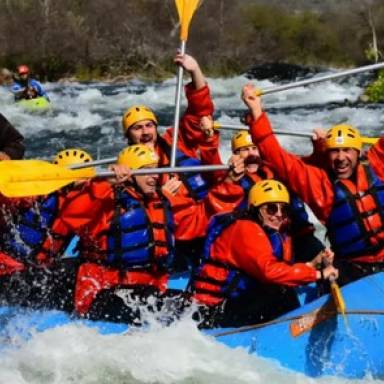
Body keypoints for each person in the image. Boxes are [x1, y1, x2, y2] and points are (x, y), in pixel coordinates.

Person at [31, 144, 243, 323]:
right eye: (147, 170)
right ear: (130, 175)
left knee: (190, 306)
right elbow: (71, 214)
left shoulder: (161, 202)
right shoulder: (106, 205)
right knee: (169, 310)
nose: (154, 176)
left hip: (148, 288)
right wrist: (104, 184)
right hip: (103, 293)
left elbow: (201, 218)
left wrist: (230, 183)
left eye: (155, 170)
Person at [242, 82, 384, 286]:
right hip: (353, 268)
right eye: (334, 151)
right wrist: (256, 111)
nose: (341, 158)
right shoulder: (320, 185)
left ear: (358, 152)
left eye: (347, 151)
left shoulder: (378, 165)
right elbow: (278, 158)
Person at [189, 179, 337, 328]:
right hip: (211, 313)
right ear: (256, 209)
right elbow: (269, 271)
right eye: (271, 209)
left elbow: (277, 269)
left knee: (280, 288)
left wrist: (311, 265)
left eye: (284, 209)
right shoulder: (245, 229)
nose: (279, 215)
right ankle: (292, 332)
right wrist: (318, 274)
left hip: (229, 304)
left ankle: (289, 329)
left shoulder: (270, 232)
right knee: (279, 291)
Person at [0, 149, 95, 310]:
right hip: (9, 270)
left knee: (77, 268)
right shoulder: (33, 197)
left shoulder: (84, 203)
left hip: (37, 269)